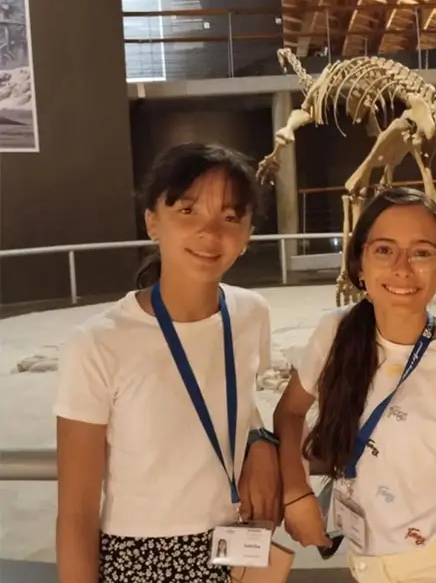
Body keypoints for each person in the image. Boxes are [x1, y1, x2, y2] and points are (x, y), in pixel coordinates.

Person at [273, 187, 436, 583]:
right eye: (384, 250)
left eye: (420, 253)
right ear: (359, 262)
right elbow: (290, 411)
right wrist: (296, 493)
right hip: (366, 568)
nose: (402, 268)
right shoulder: (336, 333)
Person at [54, 143, 282, 583]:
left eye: (231, 217)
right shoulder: (97, 343)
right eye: (188, 211)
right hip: (139, 558)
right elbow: (77, 511)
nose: (210, 233)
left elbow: (244, 399)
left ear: (249, 233)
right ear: (152, 221)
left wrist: (260, 440)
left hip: (235, 546)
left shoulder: (252, 314)